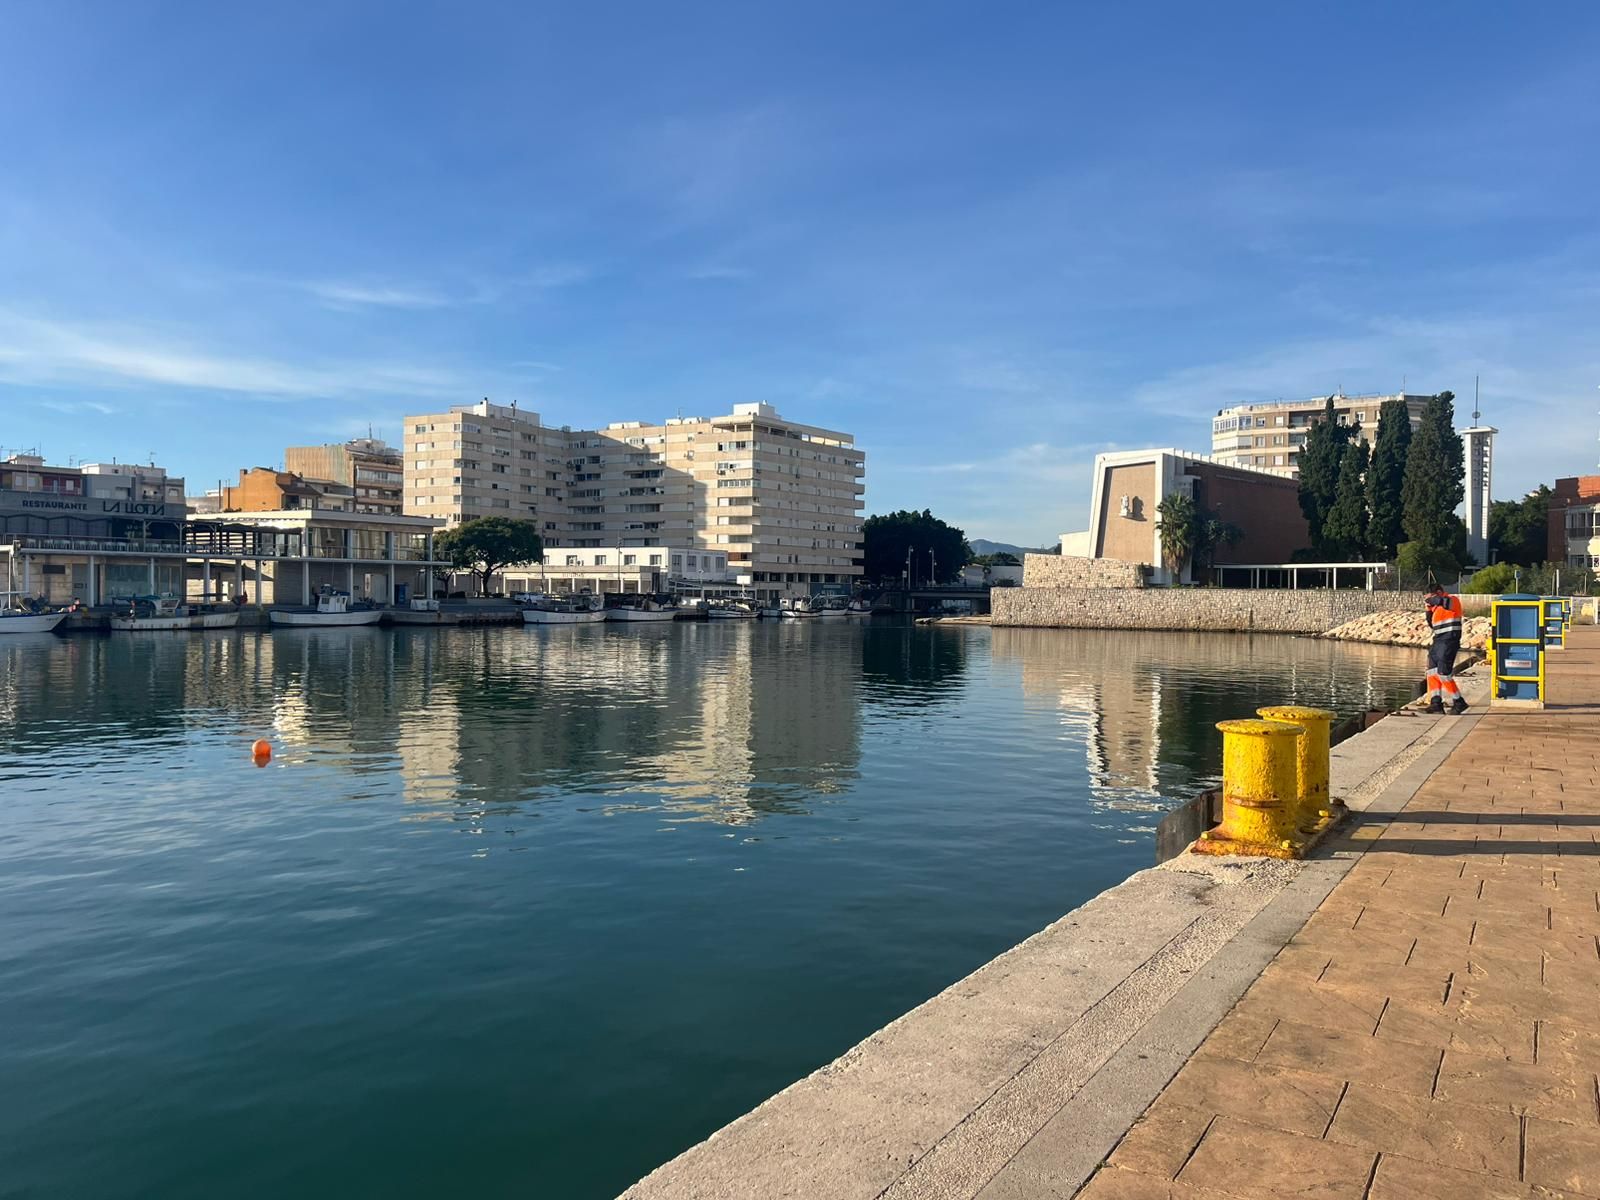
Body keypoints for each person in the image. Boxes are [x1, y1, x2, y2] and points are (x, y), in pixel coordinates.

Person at [1424, 583, 1467, 714]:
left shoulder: (1452, 600)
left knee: (1443, 672)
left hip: (1449, 641)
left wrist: (1430, 599)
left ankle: (1459, 701)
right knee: (1431, 671)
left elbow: (1442, 601)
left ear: (1439, 592)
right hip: (1437, 640)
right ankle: (1436, 703)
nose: (1430, 600)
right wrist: (1428, 610)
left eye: (1431, 597)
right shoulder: (1436, 608)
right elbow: (1431, 624)